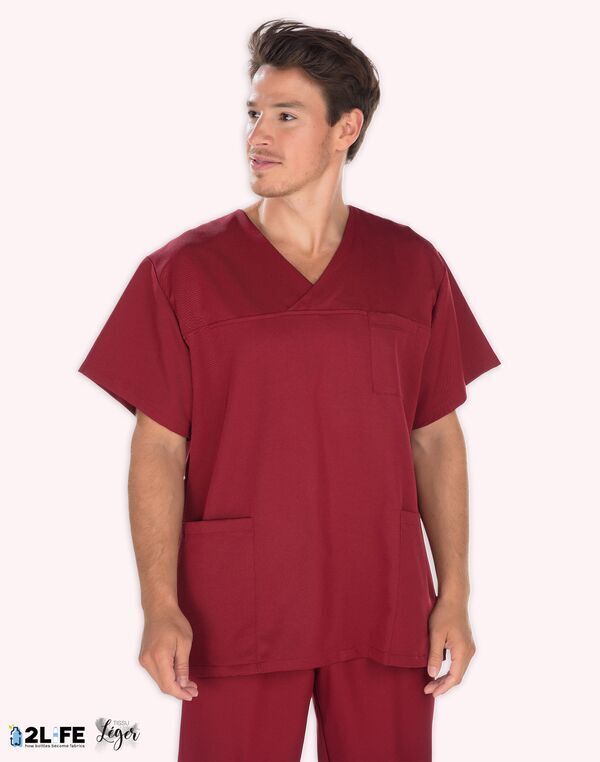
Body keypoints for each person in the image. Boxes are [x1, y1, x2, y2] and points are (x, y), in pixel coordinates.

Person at [78, 18, 501, 762]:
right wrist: (160, 605)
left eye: (285, 115)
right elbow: (158, 449)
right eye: (252, 114)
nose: (257, 137)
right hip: (238, 608)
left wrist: (455, 596)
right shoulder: (183, 272)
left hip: (382, 599)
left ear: (346, 129)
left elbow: (435, 437)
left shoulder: (412, 266)